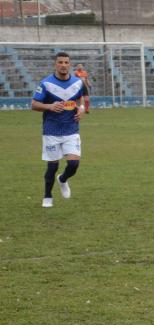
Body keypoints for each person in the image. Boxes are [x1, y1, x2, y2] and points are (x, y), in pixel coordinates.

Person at [31, 52, 87, 208]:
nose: (63, 65)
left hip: (71, 129)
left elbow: (80, 98)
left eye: (66, 62)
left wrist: (81, 109)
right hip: (51, 130)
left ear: (70, 65)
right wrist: (49, 106)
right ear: (55, 64)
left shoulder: (77, 82)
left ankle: (62, 179)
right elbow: (34, 104)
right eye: (60, 62)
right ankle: (47, 196)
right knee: (52, 166)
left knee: (74, 164)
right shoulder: (46, 84)